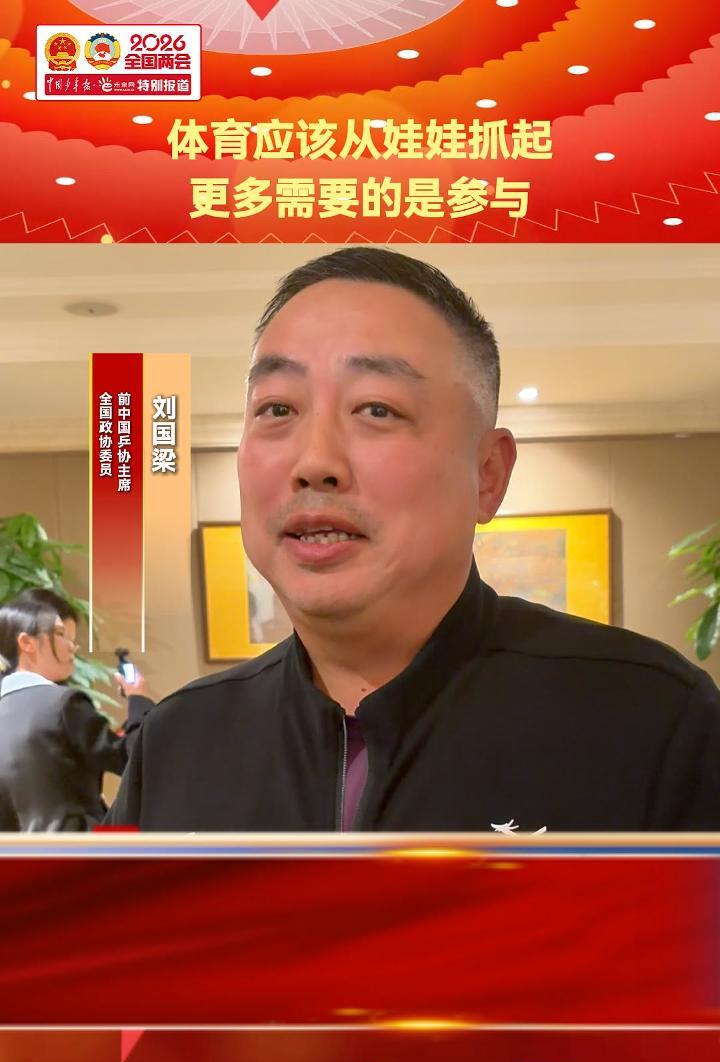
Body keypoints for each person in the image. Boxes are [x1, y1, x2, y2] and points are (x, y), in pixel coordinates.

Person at [105, 247, 720, 832]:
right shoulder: (177, 743)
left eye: (377, 409)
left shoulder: (651, 720)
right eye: (277, 410)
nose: (315, 462)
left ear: (487, 475)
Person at [0, 588, 153, 831]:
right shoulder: (63, 704)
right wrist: (139, 700)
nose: (73, 647)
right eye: (61, 634)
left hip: (16, 853)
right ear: (27, 643)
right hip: (79, 847)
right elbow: (135, 758)